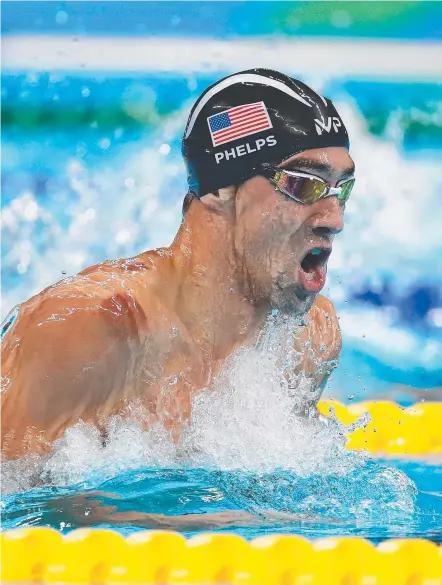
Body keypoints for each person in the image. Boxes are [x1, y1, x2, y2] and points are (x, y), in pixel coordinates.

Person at [1, 68, 355, 462]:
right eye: (304, 183)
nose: (333, 218)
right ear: (221, 190)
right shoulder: (95, 327)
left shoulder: (309, 339)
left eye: (342, 189)